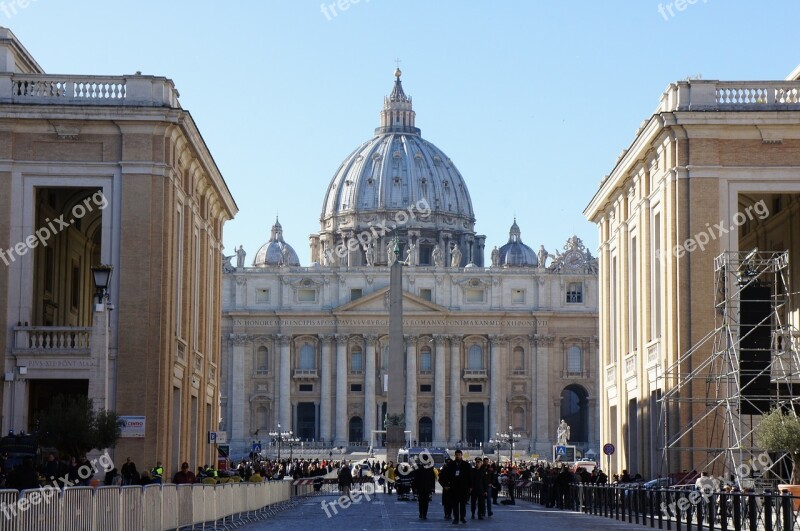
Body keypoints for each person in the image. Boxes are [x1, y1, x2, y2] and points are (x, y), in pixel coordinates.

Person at [440, 449, 471, 524]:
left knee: (463, 504)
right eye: (456, 455)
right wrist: (445, 485)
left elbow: (470, 476)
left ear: (461, 455)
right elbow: (445, 476)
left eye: (459, 455)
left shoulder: (466, 465)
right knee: (455, 504)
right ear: (455, 456)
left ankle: (462, 517)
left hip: (463, 487)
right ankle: (456, 518)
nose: (458, 456)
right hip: (454, 487)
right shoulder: (451, 465)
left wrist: (470, 486)